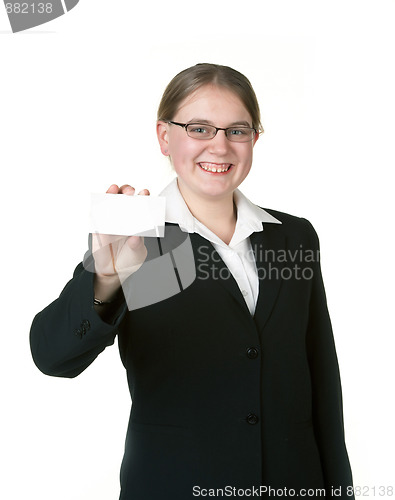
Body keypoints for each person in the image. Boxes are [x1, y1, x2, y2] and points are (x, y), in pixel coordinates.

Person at [30, 63, 354, 499]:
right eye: (199, 128)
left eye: (236, 130)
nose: (220, 146)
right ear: (165, 136)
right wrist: (107, 277)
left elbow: (322, 382)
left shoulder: (294, 237)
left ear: (254, 139)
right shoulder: (136, 242)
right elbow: (53, 356)